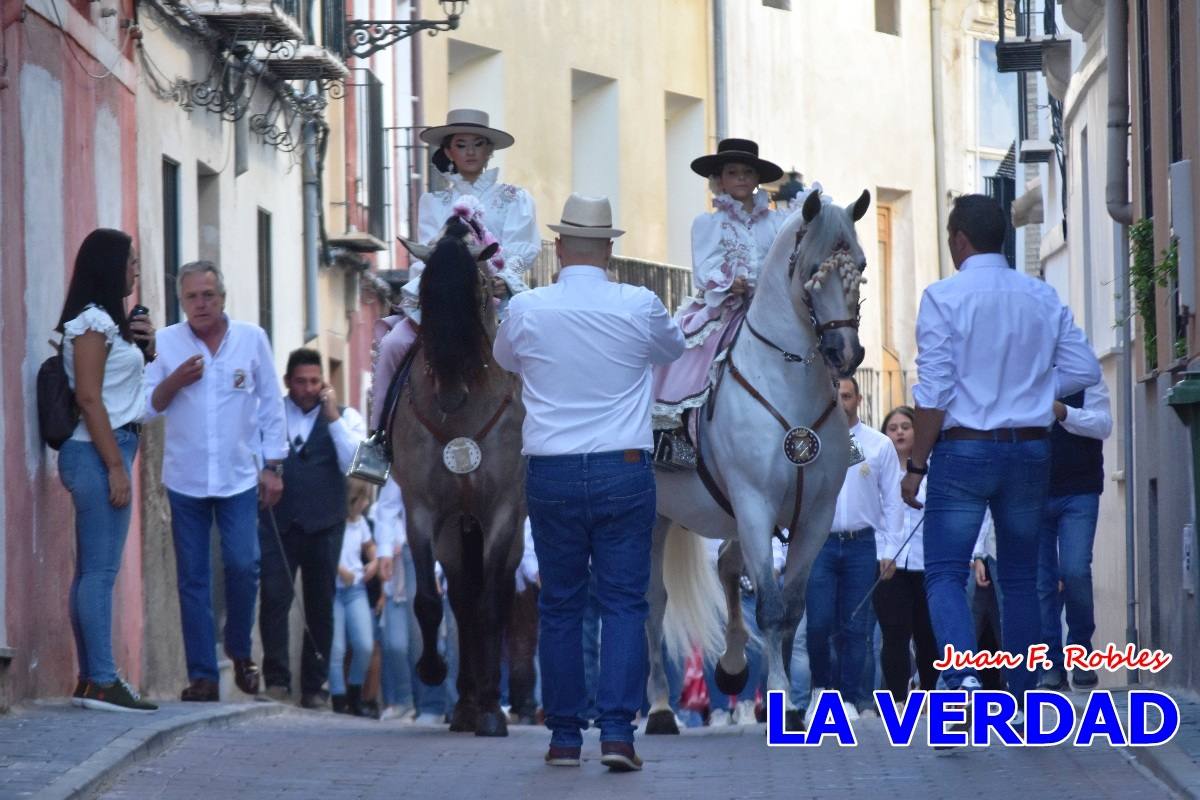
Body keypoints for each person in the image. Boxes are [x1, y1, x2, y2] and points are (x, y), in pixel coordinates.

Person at [493, 193, 685, 771]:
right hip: (621, 468)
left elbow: (506, 361)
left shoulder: (527, 308)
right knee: (625, 602)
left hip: (551, 470)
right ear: (608, 249)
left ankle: (564, 738)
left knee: (560, 605)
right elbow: (672, 350)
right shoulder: (639, 303)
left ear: (558, 248)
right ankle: (619, 734)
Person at [901, 194, 1101, 708]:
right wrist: (1033, 390)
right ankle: (1024, 696)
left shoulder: (943, 297)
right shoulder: (1042, 296)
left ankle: (959, 678)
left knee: (945, 570)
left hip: (965, 451)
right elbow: (1085, 370)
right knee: (1019, 575)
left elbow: (935, 391)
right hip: (1030, 451)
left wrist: (916, 465)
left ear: (959, 239)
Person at [144, 260, 288, 702]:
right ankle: (203, 675)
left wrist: (274, 465)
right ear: (181, 301)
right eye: (192, 297)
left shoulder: (251, 339)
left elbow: (270, 403)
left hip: (240, 475)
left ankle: (241, 650)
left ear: (222, 297)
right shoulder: (166, 342)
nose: (200, 304)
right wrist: (175, 380)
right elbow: (148, 406)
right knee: (193, 579)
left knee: (244, 565)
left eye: (208, 295)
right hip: (185, 476)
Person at [368, 108, 538, 435]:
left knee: (538, 351)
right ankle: (379, 439)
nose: (470, 151)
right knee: (392, 346)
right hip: (445, 302)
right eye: (462, 144)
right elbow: (427, 255)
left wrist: (502, 280)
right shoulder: (433, 202)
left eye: (478, 144)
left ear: (490, 150)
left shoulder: (516, 198)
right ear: (449, 151)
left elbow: (523, 247)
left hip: (500, 299)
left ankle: (546, 434)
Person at [57, 229, 158, 712]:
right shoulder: (91, 322)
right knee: (99, 573)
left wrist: (147, 349)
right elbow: (90, 397)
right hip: (98, 452)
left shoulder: (108, 323)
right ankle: (101, 679)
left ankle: (90, 678)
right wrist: (116, 467)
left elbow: (119, 390)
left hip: (108, 448)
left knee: (91, 573)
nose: (136, 270)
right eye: (130, 262)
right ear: (108, 266)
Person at [650, 138, 789, 460]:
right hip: (723, 308)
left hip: (771, 309)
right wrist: (729, 282)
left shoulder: (777, 222)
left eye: (747, 171)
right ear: (720, 179)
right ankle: (676, 442)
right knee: (682, 358)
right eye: (732, 171)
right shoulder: (708, 222)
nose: (740, 177)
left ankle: (833, 439)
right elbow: (704, 269)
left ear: (757, 179)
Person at [258, 348, 366, 708]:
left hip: (326, 524)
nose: (307, 388)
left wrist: (332, 416)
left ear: (325, 384)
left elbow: (356, 464)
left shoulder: (347, 417)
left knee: (321, 606)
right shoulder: (270, 415)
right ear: (288, 383)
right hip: (279, 523)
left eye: (314, 382)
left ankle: (314, 687)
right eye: (301, 381)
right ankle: (276, 681)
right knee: (275, 599)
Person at [804, 377, 903, 725]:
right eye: (833, 396)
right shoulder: (808, 443)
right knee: (817, 624)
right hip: (819, 543)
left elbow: (893, 502)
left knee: (856, 626)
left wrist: (890, 549)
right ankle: (822, 690)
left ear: (858, 399)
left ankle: (847, 698)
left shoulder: (879, 445)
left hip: (862, 544)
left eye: (845, 396)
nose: (839, 402)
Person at [1037, 378, 1113, 691]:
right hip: (1033, 492)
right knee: (1041, 582)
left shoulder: (1086, 374)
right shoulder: (1019, 370)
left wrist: (1062, 412)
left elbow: (1103, 425)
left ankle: (1081, 652)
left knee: (1076, 570)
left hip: (1079, 490)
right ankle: (1050, 664)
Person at [872, 405, 939, 706]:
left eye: (905, 426)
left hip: (928, 562)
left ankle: (929, 694)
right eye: (892, 427)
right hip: (890, 564)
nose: (899, 432)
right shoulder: (876, 469)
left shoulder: (935, 468)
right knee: (895, 633)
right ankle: (899, 699)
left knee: (928, 634)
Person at [330, 479, 379, 716]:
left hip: (355, 588)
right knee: (337, 647)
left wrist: (375, 562)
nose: (366, 503)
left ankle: (355, 691)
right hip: (335, 589)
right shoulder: (335, 523)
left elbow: (370, 547)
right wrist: (341, 571)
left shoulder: (360, 524)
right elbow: (328, 554)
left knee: (364, 645)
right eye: (363, 499)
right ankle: (338, 697)